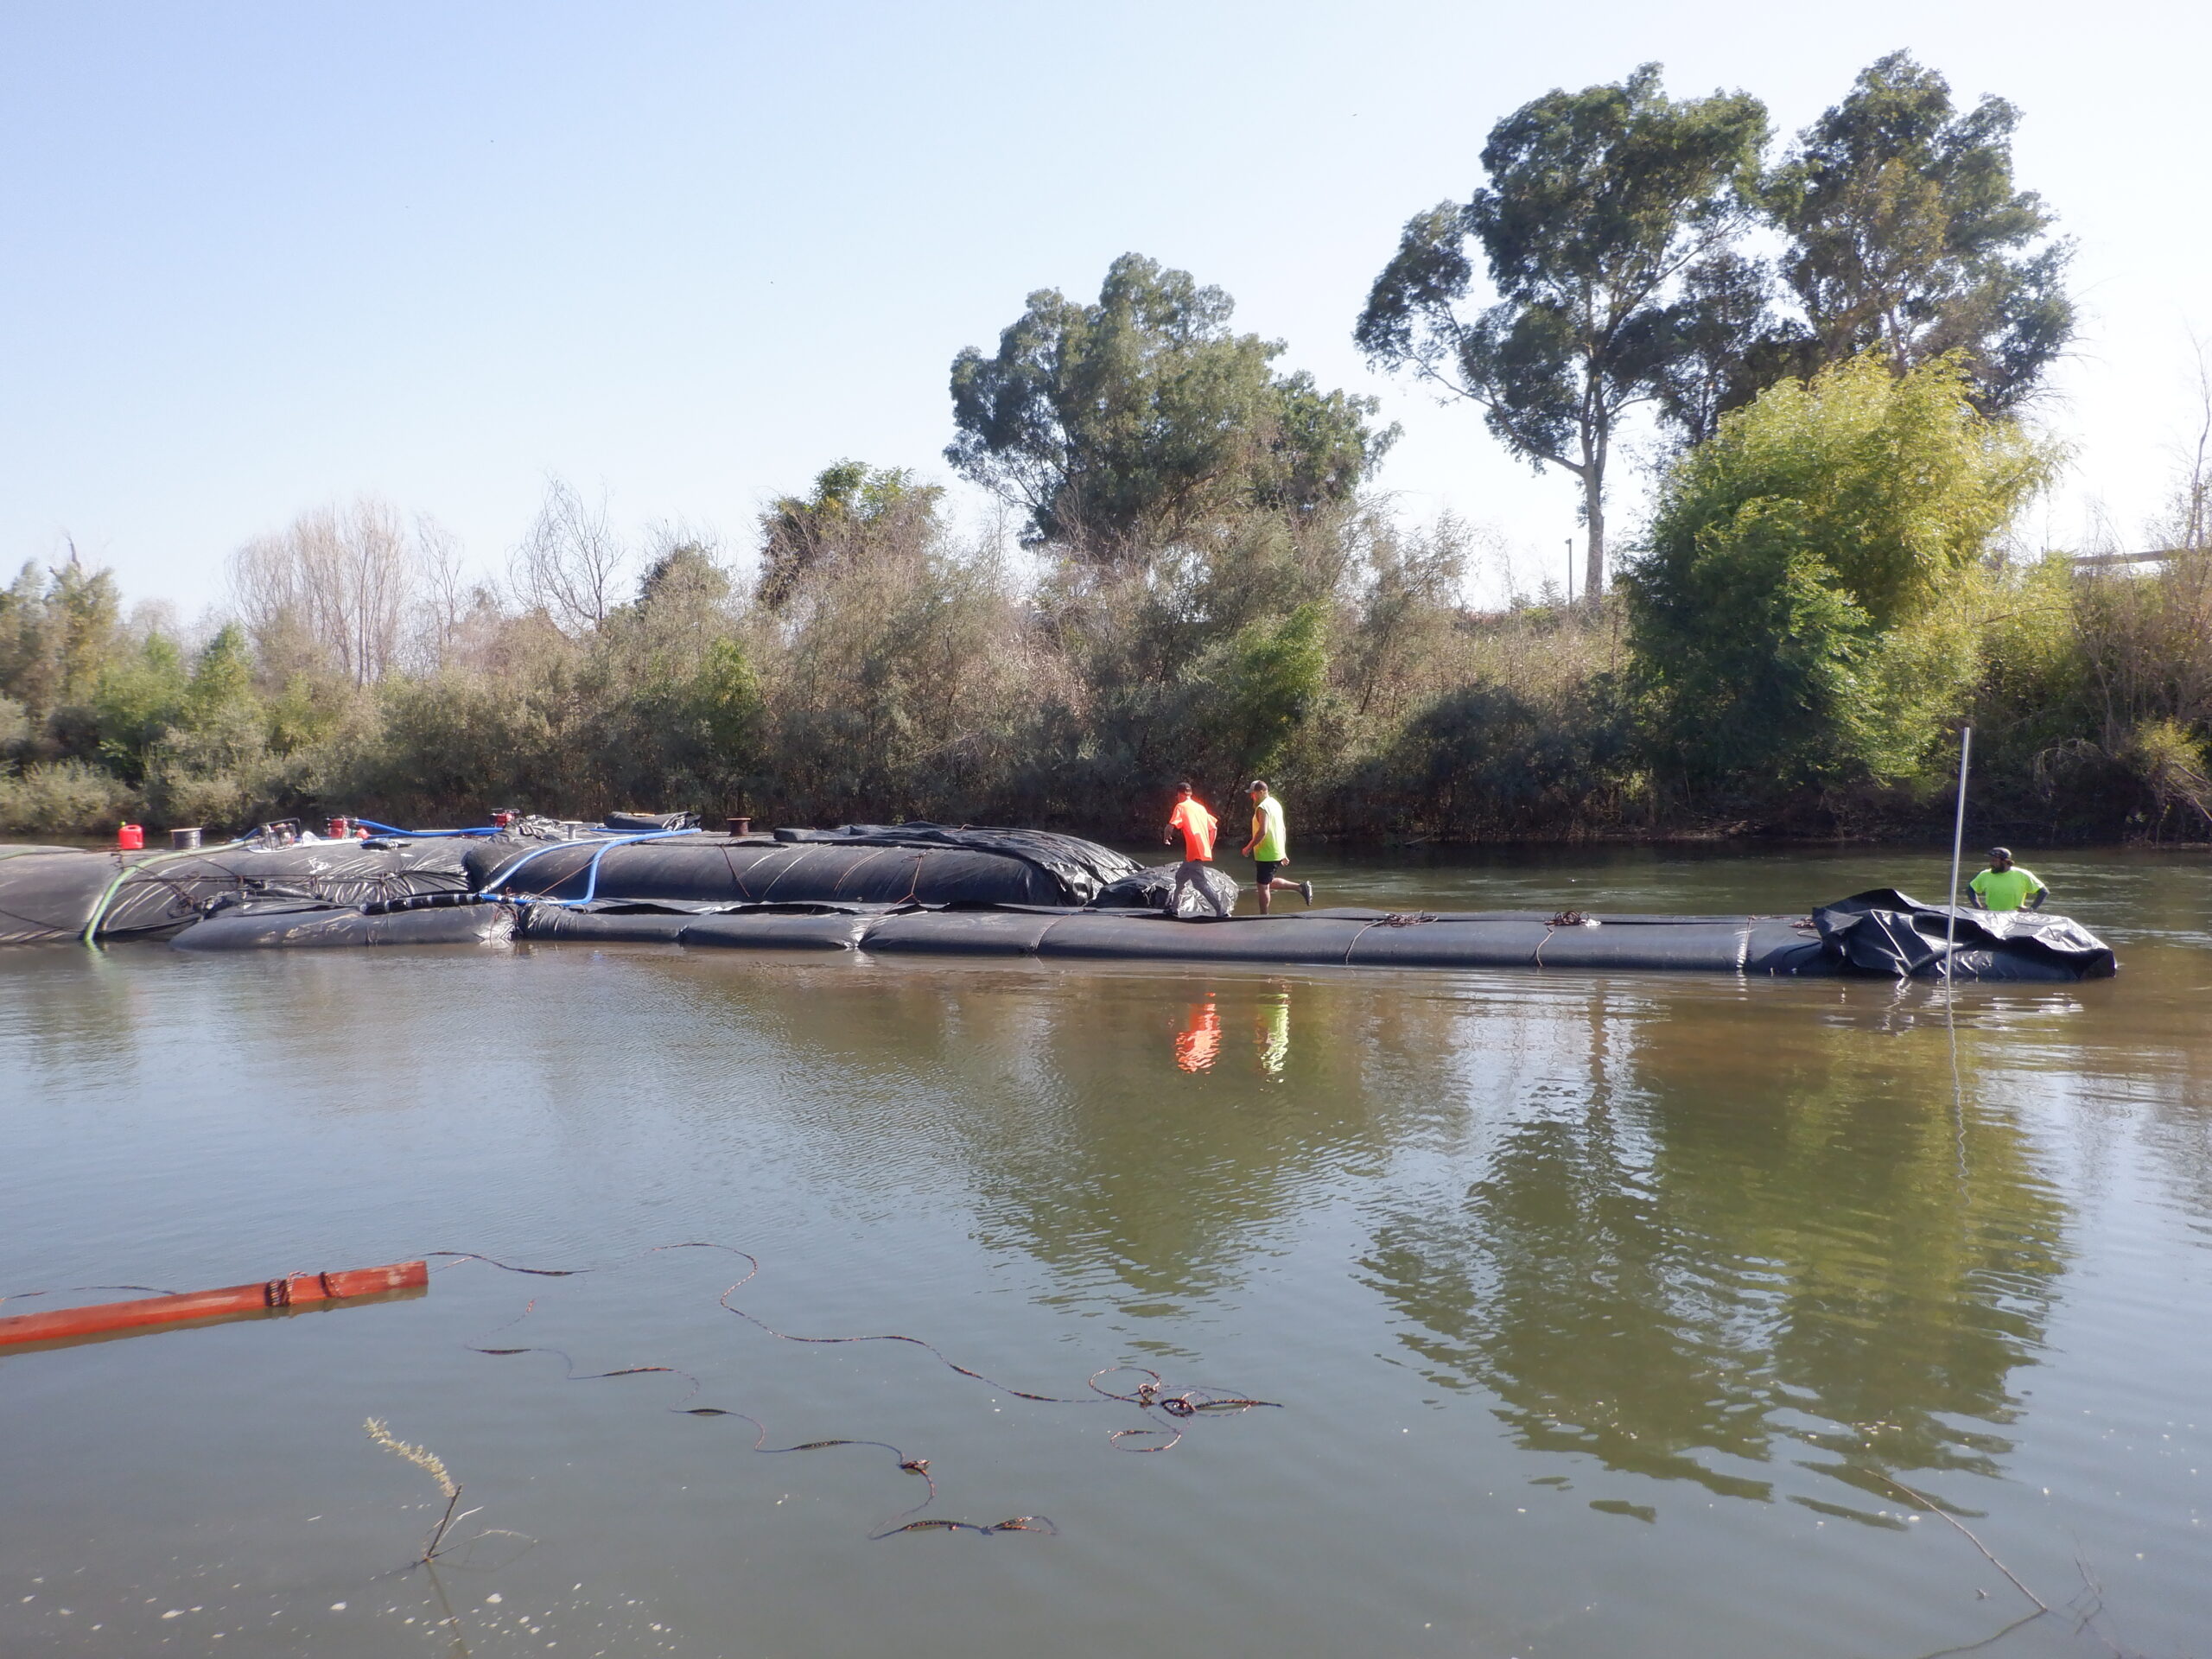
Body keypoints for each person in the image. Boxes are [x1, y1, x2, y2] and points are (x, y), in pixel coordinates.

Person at [1239, 779, 1312, 913]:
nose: (1251, 796)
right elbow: (1282, 829)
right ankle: (1301, 887)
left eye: (1253, 793)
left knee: (1262, 887)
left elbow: (1263, 831)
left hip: (1266, 853)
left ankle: (1263, 917)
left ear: (1261, 792)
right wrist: (1282, 852)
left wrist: (1248, 847)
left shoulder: (1263, 807)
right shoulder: (1276, 804)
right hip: (1275, 851)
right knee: (1266, 882)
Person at [1163, 781, 1230, 918]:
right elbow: (1214, 829)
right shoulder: (1200, 808)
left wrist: (1166, 838)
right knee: (1180, 877)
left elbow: (1170, 826)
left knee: (1200, 883)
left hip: (1194, 851)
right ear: (1190, 793)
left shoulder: (1181, 806)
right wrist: (1209, 846)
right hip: (1199, 850)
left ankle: (1222, 911)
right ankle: (1174, 908)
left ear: (1179, 794)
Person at [1967, 846, 2048, 912]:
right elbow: (1970, 890)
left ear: (2005, 861)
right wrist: (1978, 907)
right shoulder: (1985, 875)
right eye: (1991, 861)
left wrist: (2031, 909)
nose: (1991, 864)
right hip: (1991, 916)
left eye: (1994, 861)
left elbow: (2043, 891)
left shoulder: (2022, 874)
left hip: (2014, 916)